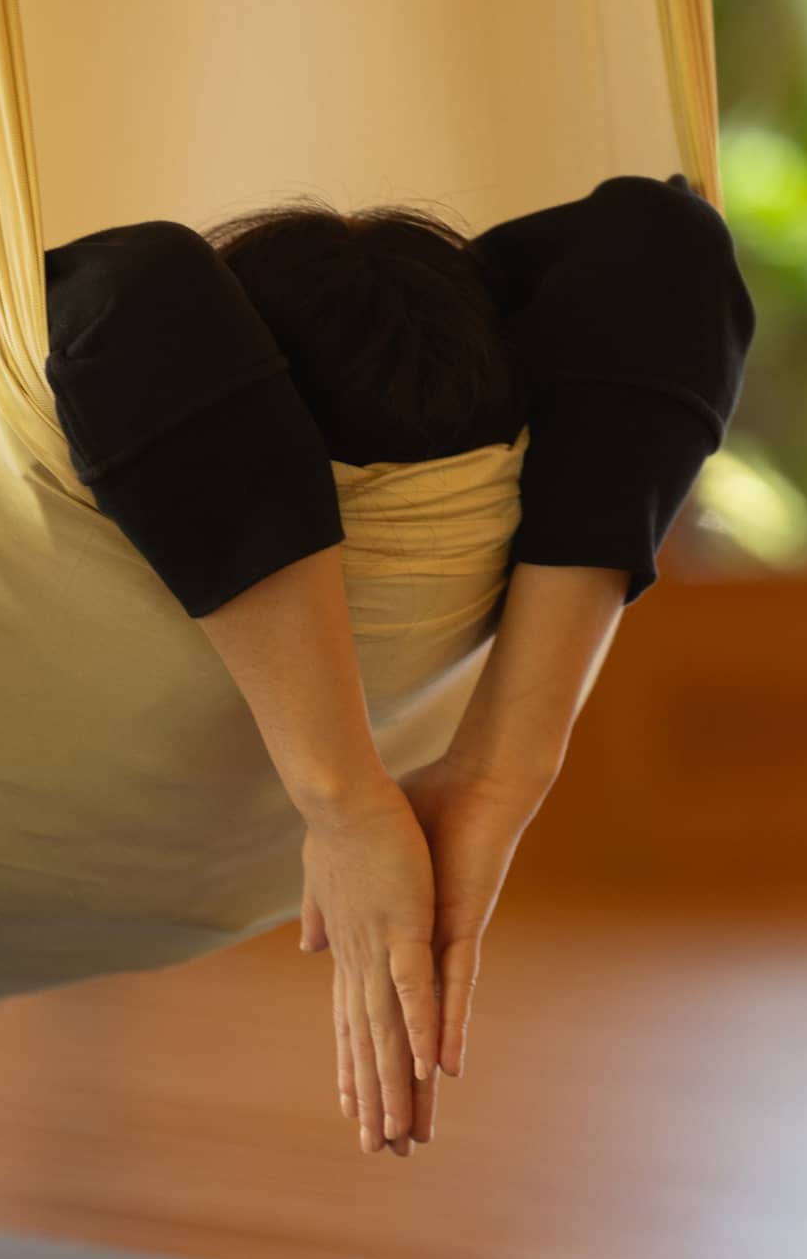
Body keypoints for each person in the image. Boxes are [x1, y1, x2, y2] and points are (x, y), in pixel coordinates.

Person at [43, 173, 757, 1159]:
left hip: (41, 846)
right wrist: (469, 772)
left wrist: (429, 786)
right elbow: (666, 249)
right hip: (284, 822)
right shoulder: (535, 467)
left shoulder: (137, 373)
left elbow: (139, 290)